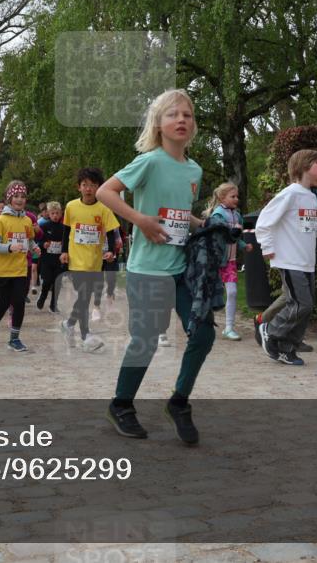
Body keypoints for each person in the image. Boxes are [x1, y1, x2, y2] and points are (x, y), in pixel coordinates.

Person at [97, 89, 208, 444]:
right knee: (145, 339)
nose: (181, 120)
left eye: (187, 115)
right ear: (158, 124)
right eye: (172, 114)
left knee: (203, 331)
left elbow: (177, 211)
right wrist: (139, 221)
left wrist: (203, 226)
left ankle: (178, 402)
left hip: (180, 269)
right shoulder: (149, 161)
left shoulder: (194, 169)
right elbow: (105, 193)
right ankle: (121, 405)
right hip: (147, 268)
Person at [254, 150, 317, 366]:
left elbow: (307, 229)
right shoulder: (290, 194)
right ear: (304, 166)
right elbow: (263, 222)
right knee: (301, 304)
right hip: (289, 260)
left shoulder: (311, 197)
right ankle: (269, 329)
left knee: (307, 306)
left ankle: (287, 349)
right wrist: (267, 247)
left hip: (306, 262)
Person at [60, 167, 119, 354]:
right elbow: (66, 231)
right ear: (79, 187)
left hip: (95, 262)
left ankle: (69, 324)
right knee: (84, 296)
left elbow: (111, 233)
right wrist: (63, 251)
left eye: (93, 185)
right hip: (76, 261)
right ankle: (85, 336)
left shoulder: (104, 209)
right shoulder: (71, 206)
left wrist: (110, 251)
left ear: (98, 187)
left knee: (86, 297)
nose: (88, 189)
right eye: (85, 185)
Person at [0, 181, 39, 352]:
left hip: (21, 269)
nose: (20, 200)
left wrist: (34, 247)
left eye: (23, 196)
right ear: (9, 198)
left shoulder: (27, 220)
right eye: (16, 196)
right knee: (4, 302)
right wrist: (9, 247)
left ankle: (14, 339)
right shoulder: (1, 220)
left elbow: (29, 240)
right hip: (3, 270)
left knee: (19, 302)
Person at [205, 182, 252, 341]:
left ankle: (229, 328)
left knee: (232, 292)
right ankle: (203, 325)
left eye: (237, 196)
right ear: (221, 198)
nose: (236, 199)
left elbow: (236, 238)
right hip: (215, 261)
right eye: (233, 196)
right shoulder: (217, 215)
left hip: (230, 262)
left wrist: (244, 245)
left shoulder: (237, 215)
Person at [37, 201, 67, 313]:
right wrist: (43, 244)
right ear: (48, 214)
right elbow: (38, 241)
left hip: (59, 259)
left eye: (57, 213)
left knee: (57, 282)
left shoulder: (64, 228)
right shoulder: (44, 226)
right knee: (47, 281)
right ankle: (43, 296)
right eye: (53, 213)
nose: (55, 215)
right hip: (46, 259)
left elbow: (67, 242)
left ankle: (53, 305)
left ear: (61, 214)